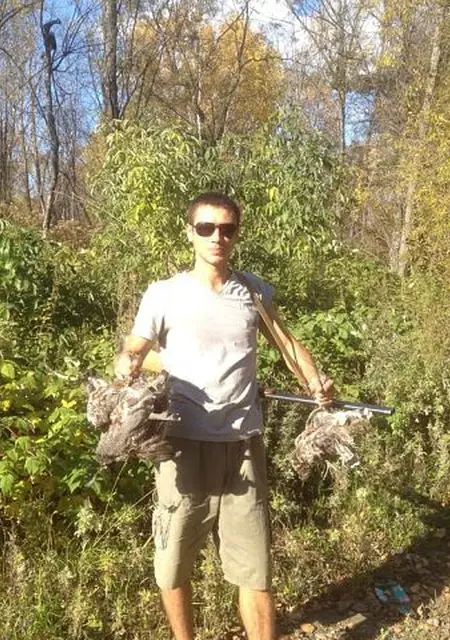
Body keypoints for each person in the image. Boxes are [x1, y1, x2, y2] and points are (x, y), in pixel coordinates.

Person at [115, 192, 333, 640]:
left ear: (236, 234)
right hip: (180, 446)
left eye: (227, 228)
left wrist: (315, 382)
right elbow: (136, 347)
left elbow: (287, 344)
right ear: (189, 232)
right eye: (206, 228)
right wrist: (128, 361)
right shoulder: (164, 293)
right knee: (174, 563)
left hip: (242, 446)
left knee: (256, 570)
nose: (217, 237)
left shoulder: (252, 291)